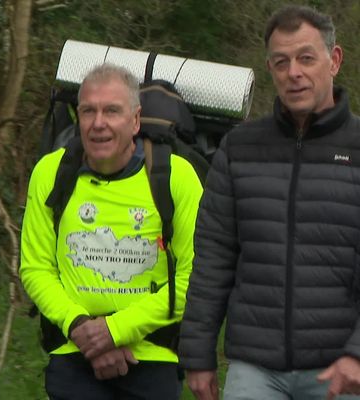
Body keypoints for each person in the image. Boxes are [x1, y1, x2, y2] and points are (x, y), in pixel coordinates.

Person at [179, 4, 360, 400]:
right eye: (281, 62)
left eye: (306, 58)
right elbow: (213, 258)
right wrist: (197, 355)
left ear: (335, 60)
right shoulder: (240, 147)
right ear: (270, 69)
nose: (294, 72)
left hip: (340, 371)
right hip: (254, 368)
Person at [20, 63, 203, 399]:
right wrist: (81, 329)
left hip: (152, 354)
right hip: (74, 351)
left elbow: (195, 278)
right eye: (88, 111)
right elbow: (35, 268)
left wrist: (115, 331)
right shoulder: (51, 172)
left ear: (135, 121)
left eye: (111, 111)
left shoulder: (176, 177)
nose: (98, 123)